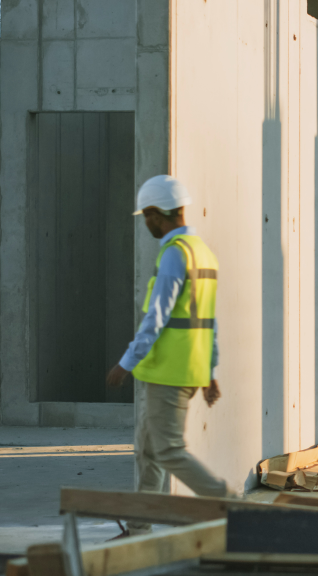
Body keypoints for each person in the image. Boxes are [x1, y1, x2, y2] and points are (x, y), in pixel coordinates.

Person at [105, 175, 236, 535]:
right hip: (177, 370)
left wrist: (125, 362)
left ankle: (231, 506)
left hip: (168, 372)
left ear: (155, 214)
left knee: (168, 451)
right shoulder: (202, 252)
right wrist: (209, 371)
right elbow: (207, 322)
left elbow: (157, 316)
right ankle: (138, 526)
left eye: (146, 216)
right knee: (148, 452)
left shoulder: (175, 254)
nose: (145, 223)